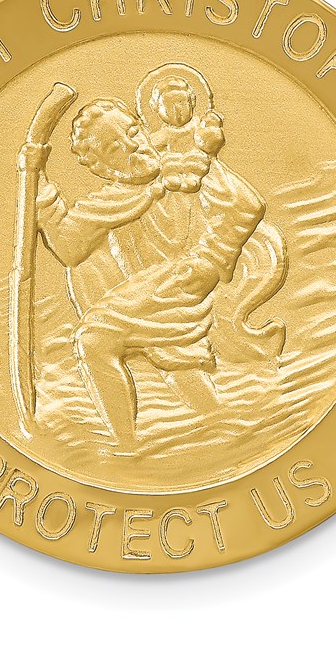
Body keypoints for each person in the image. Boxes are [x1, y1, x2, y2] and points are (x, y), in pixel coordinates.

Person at [32, 96, 265, 447]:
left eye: (131, 132)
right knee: (175, 363)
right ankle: (228, 428)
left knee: (94, 342)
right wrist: (38, 182)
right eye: (114, 149)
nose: (132, 145)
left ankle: (126, 446)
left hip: (185, 277)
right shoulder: (110, 200)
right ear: (101, 168)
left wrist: (212, 259)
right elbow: (68, 246)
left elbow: (247, 206)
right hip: (154, 286)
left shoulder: (186, 168)